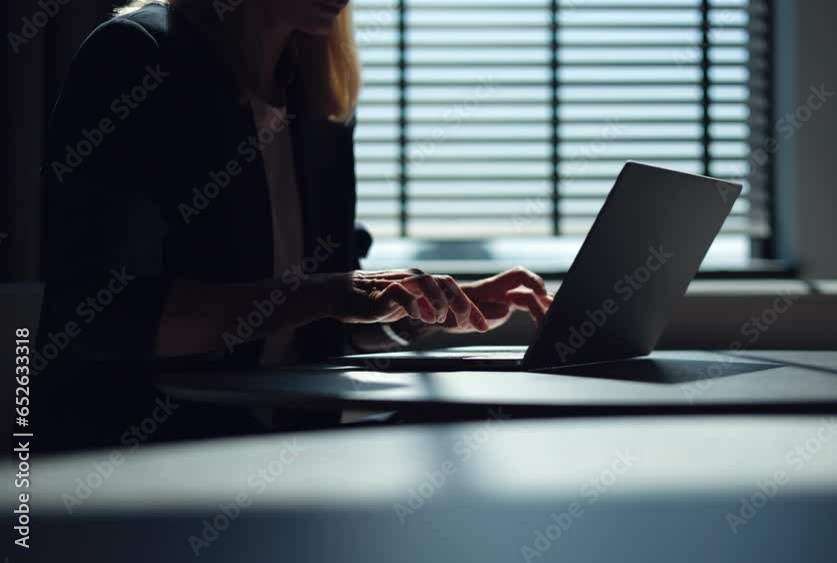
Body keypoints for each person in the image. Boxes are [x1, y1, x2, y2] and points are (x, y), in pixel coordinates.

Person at [38, 0, 551, 449]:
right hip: (159, 451)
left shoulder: (317, 97)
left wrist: (431, 305)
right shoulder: (137, 56)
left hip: (295, 441)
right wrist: (323, 294)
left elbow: (334, 306)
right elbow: (99, 315)